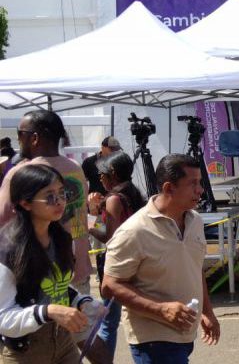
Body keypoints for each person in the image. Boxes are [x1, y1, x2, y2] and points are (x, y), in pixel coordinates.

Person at [101, 154, 220, 364]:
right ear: (168, 188)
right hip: (153, 341)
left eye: (200, 182)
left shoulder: (194, 221)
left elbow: (195, 267)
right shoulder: (134, 231)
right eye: (193, 184)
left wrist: (207, 312)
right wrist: (161, 309)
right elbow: (109, 286)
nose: (200, 190)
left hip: (184, 334)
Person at [0, 164, 104, 364]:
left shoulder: (62, 239)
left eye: (62, 193)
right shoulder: (7, 250)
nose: (59, 202)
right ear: (25, 202)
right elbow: (3, 317)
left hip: (63, 341)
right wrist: (49, 311)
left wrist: (81, 301)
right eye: (49, 196)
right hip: (26, 350)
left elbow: (58, 286)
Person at [0, 110, 92, 297]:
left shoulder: (23, 173)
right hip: (77, 269)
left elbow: (3, 221)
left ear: (34, 138)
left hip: (39, 275)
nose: (18, 139)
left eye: (20, 134)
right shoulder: (75, 168)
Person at [86, 151, 146, 356]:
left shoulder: (113, 199)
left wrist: (91, 222)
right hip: (137, 261)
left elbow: (110, 237)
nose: (99, 178)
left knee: (107, 323)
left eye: (102, 174)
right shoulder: (133, 193)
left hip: (118, 265)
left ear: (112, 173)